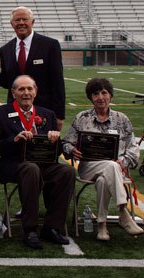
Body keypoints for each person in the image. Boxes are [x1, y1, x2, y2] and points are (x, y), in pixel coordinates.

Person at [0, 75, 74, 249]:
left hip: (44, 165)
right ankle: (30, 228)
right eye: (21, 89)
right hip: (14, 165)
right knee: (31, 168)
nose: (26, 93)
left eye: (29, 89)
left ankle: (52, 227)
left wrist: (57, 141)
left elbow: (56, 152)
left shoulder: (47, 114)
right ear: (13, 93)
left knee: (67, 171)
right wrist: (14, 140)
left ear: (36, 92)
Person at [63, 78, 143, 241]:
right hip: (89, 167)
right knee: (110, 166)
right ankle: (123, 212)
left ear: (110, 95)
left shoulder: (122, 119)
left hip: (118, 168)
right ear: (91, 97)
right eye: (96, 93)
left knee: (105, 176)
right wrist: (71, 149)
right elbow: (66, 142)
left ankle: (101, 225)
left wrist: (124, 161)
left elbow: (133, 146)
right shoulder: (82, 117)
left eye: (104, 93)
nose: (100, 97)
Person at [0, 6, 66, 130]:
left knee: (42, 148)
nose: (21, 23)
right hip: (14, 112)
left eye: (25, 19)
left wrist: (59, 115)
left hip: (44, 112)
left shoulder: (50, 45)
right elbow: (6, 81)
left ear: (33, 22)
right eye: (17, 20)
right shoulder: (5, 49)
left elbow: (57, 82)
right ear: (11, 24)